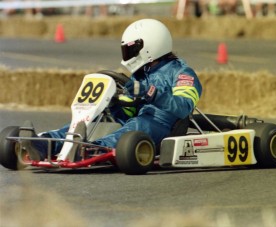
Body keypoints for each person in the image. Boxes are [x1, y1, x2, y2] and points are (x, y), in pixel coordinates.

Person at [20, 18, 203, 161]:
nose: (128, 55)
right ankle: (43, 144)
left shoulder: (181, 73)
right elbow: (130, 109)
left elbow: (184, 107)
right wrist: (116, 102)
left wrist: (150, 93)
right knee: (97, 121)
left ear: (150, 46)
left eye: (131, 50)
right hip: (137, 119)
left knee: (134, 127)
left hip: (162, 124)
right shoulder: (141, 73)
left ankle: (89, 150)